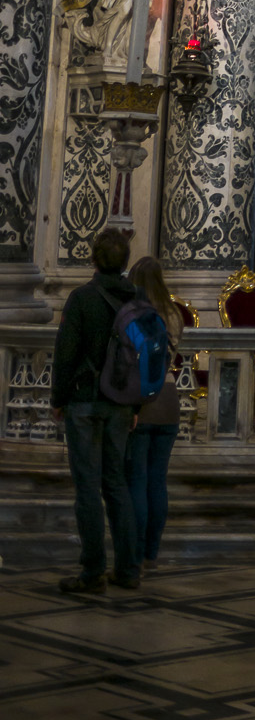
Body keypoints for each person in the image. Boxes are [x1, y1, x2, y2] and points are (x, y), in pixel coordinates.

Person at [51, 227, 141, 593]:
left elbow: (66, 353)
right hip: (121, 403)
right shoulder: (137, 301)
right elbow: (139, 358)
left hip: (85, 401)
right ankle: (129, 570)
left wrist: (58, 399)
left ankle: (91, 572)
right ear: (124, 262)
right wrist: (135, 403)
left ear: (93, 258)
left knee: (87, 487)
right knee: (116, 483)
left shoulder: (82, 299)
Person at [123, 255, 183, 571]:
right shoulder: (173, 314)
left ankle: (134, 553)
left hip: (142, 401)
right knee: (157, 480)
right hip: (170, 398)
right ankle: (151, 553)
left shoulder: (134, 315)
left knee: (137, 478)